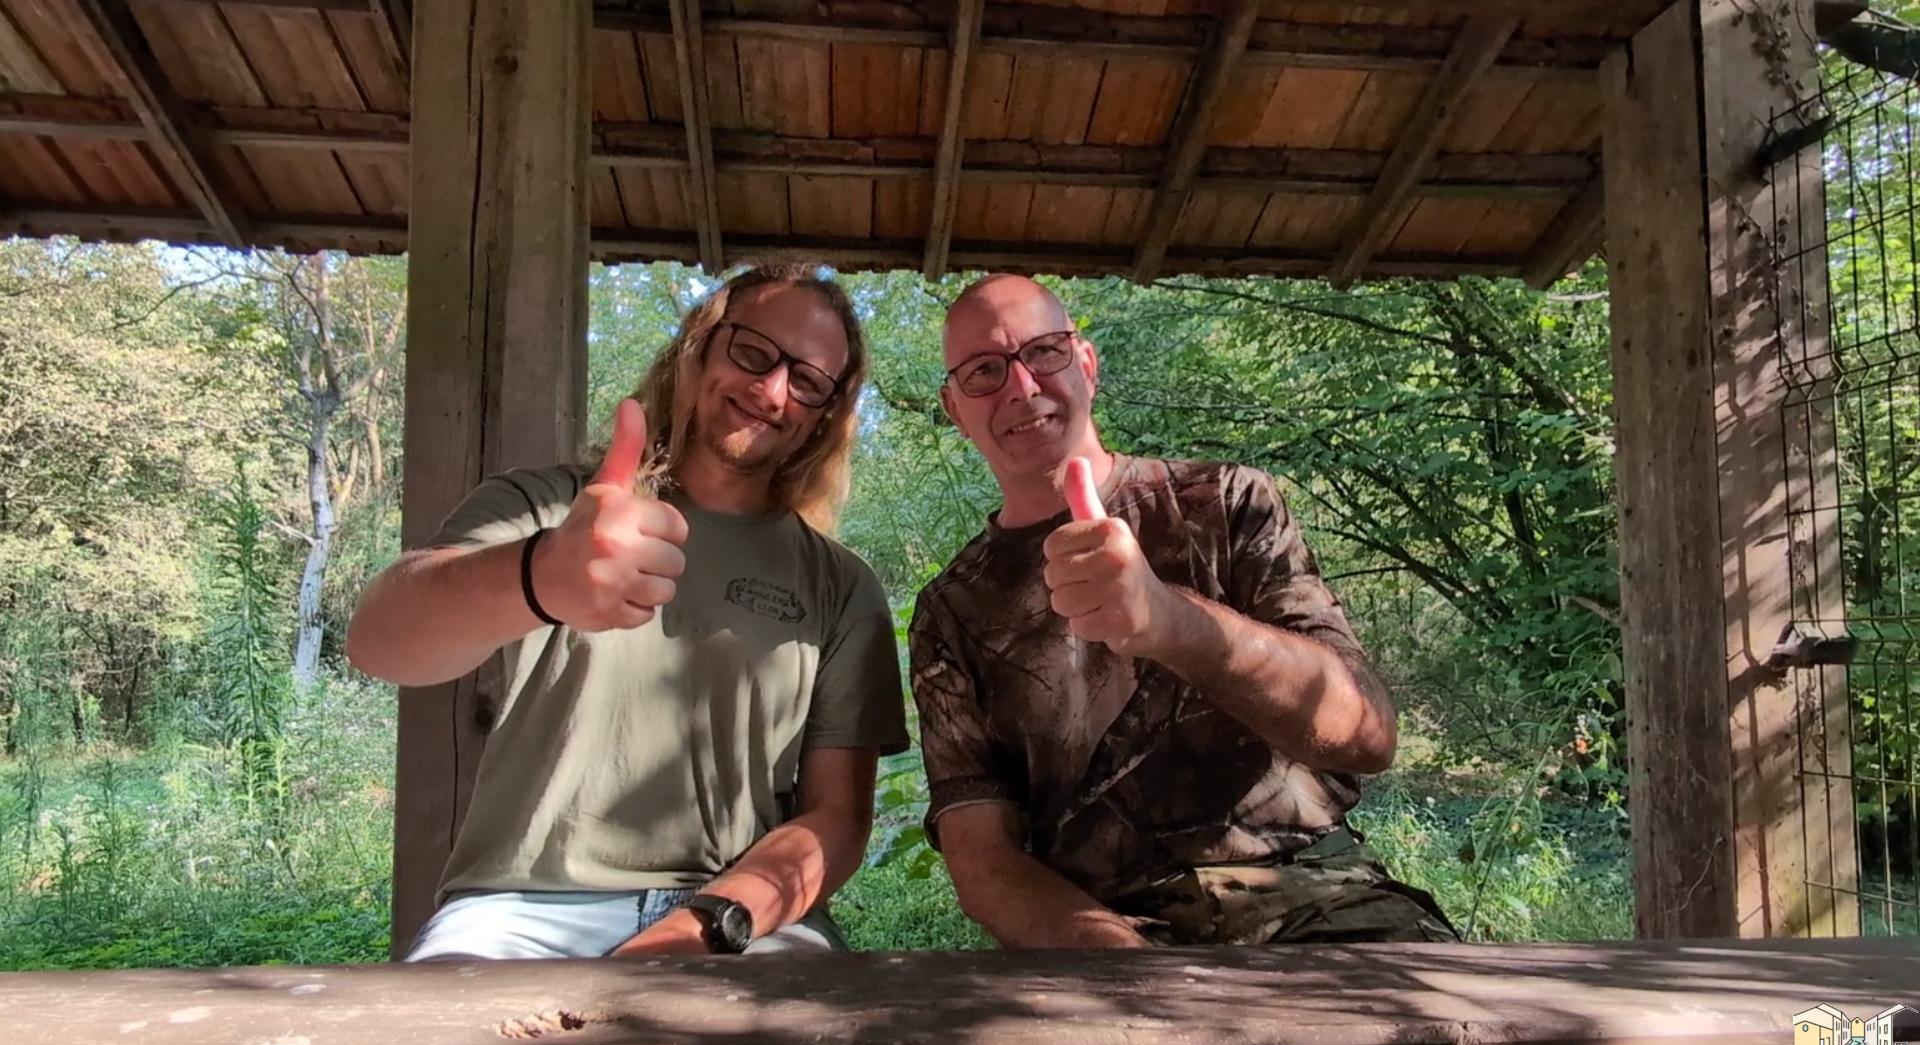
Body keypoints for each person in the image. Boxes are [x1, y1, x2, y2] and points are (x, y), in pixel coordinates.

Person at [347, 265, 907, 960]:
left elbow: (838, 822)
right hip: (517, 910)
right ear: (699, 345)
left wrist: (701, 928)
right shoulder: (548, 508)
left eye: (808, 381)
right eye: (753, 352)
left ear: (824, 416)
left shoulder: (842, 586)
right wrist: (539, 574)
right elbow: (378, 641)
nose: (771, 391)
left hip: (736, 916)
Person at [909, 274, 1457, 948]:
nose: (1021, 388)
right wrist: (1126, 962)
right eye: (984, 372)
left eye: (1044, 352)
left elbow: (1368, 737)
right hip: (1103, 934)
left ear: (1086, 363)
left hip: (1321, 901)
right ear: (955, 409)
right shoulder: (950, 610)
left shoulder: (1229, 503)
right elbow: (983, 862)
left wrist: (1173, 623)